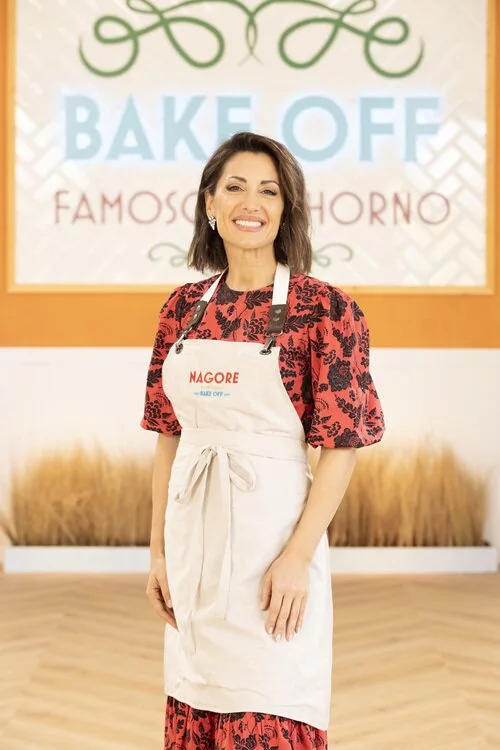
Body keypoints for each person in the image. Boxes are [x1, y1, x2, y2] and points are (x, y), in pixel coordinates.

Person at [141, 131, 385, 750]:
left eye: (269, 191)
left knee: (271, 706)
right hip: (194, 550)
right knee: (197, 699)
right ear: (210, 202)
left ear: (286, 207)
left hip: (272, 549)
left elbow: (342, 447)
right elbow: (169, 436)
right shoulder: (182, 309)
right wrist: (159, 554)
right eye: (235, 187)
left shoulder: (325, 310)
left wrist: (297, 558)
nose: (251, 203)